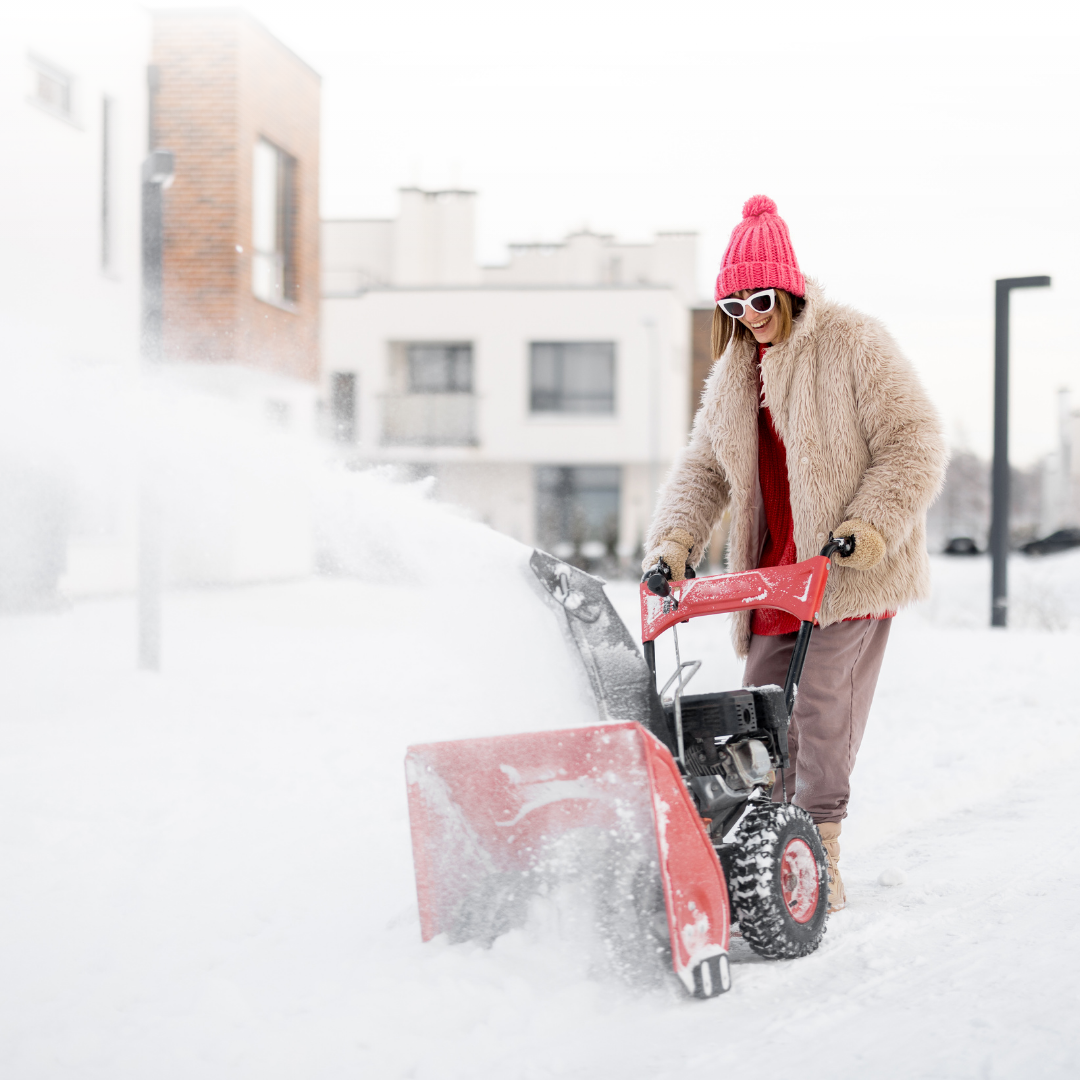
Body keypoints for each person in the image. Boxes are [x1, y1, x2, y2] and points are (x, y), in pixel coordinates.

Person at [642, 195, 946, 911]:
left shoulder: (852, 343)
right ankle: (778, 852)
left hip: (848, 570)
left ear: (790, 286)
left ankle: (822, 855)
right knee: (760, 718)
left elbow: (915, 439)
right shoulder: (733, 376)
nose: (749, 314)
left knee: (818, 708)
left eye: (760, 297)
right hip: (774, 576)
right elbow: (706, 468)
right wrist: (676, 540)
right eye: (734, 303)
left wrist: (870, 525)